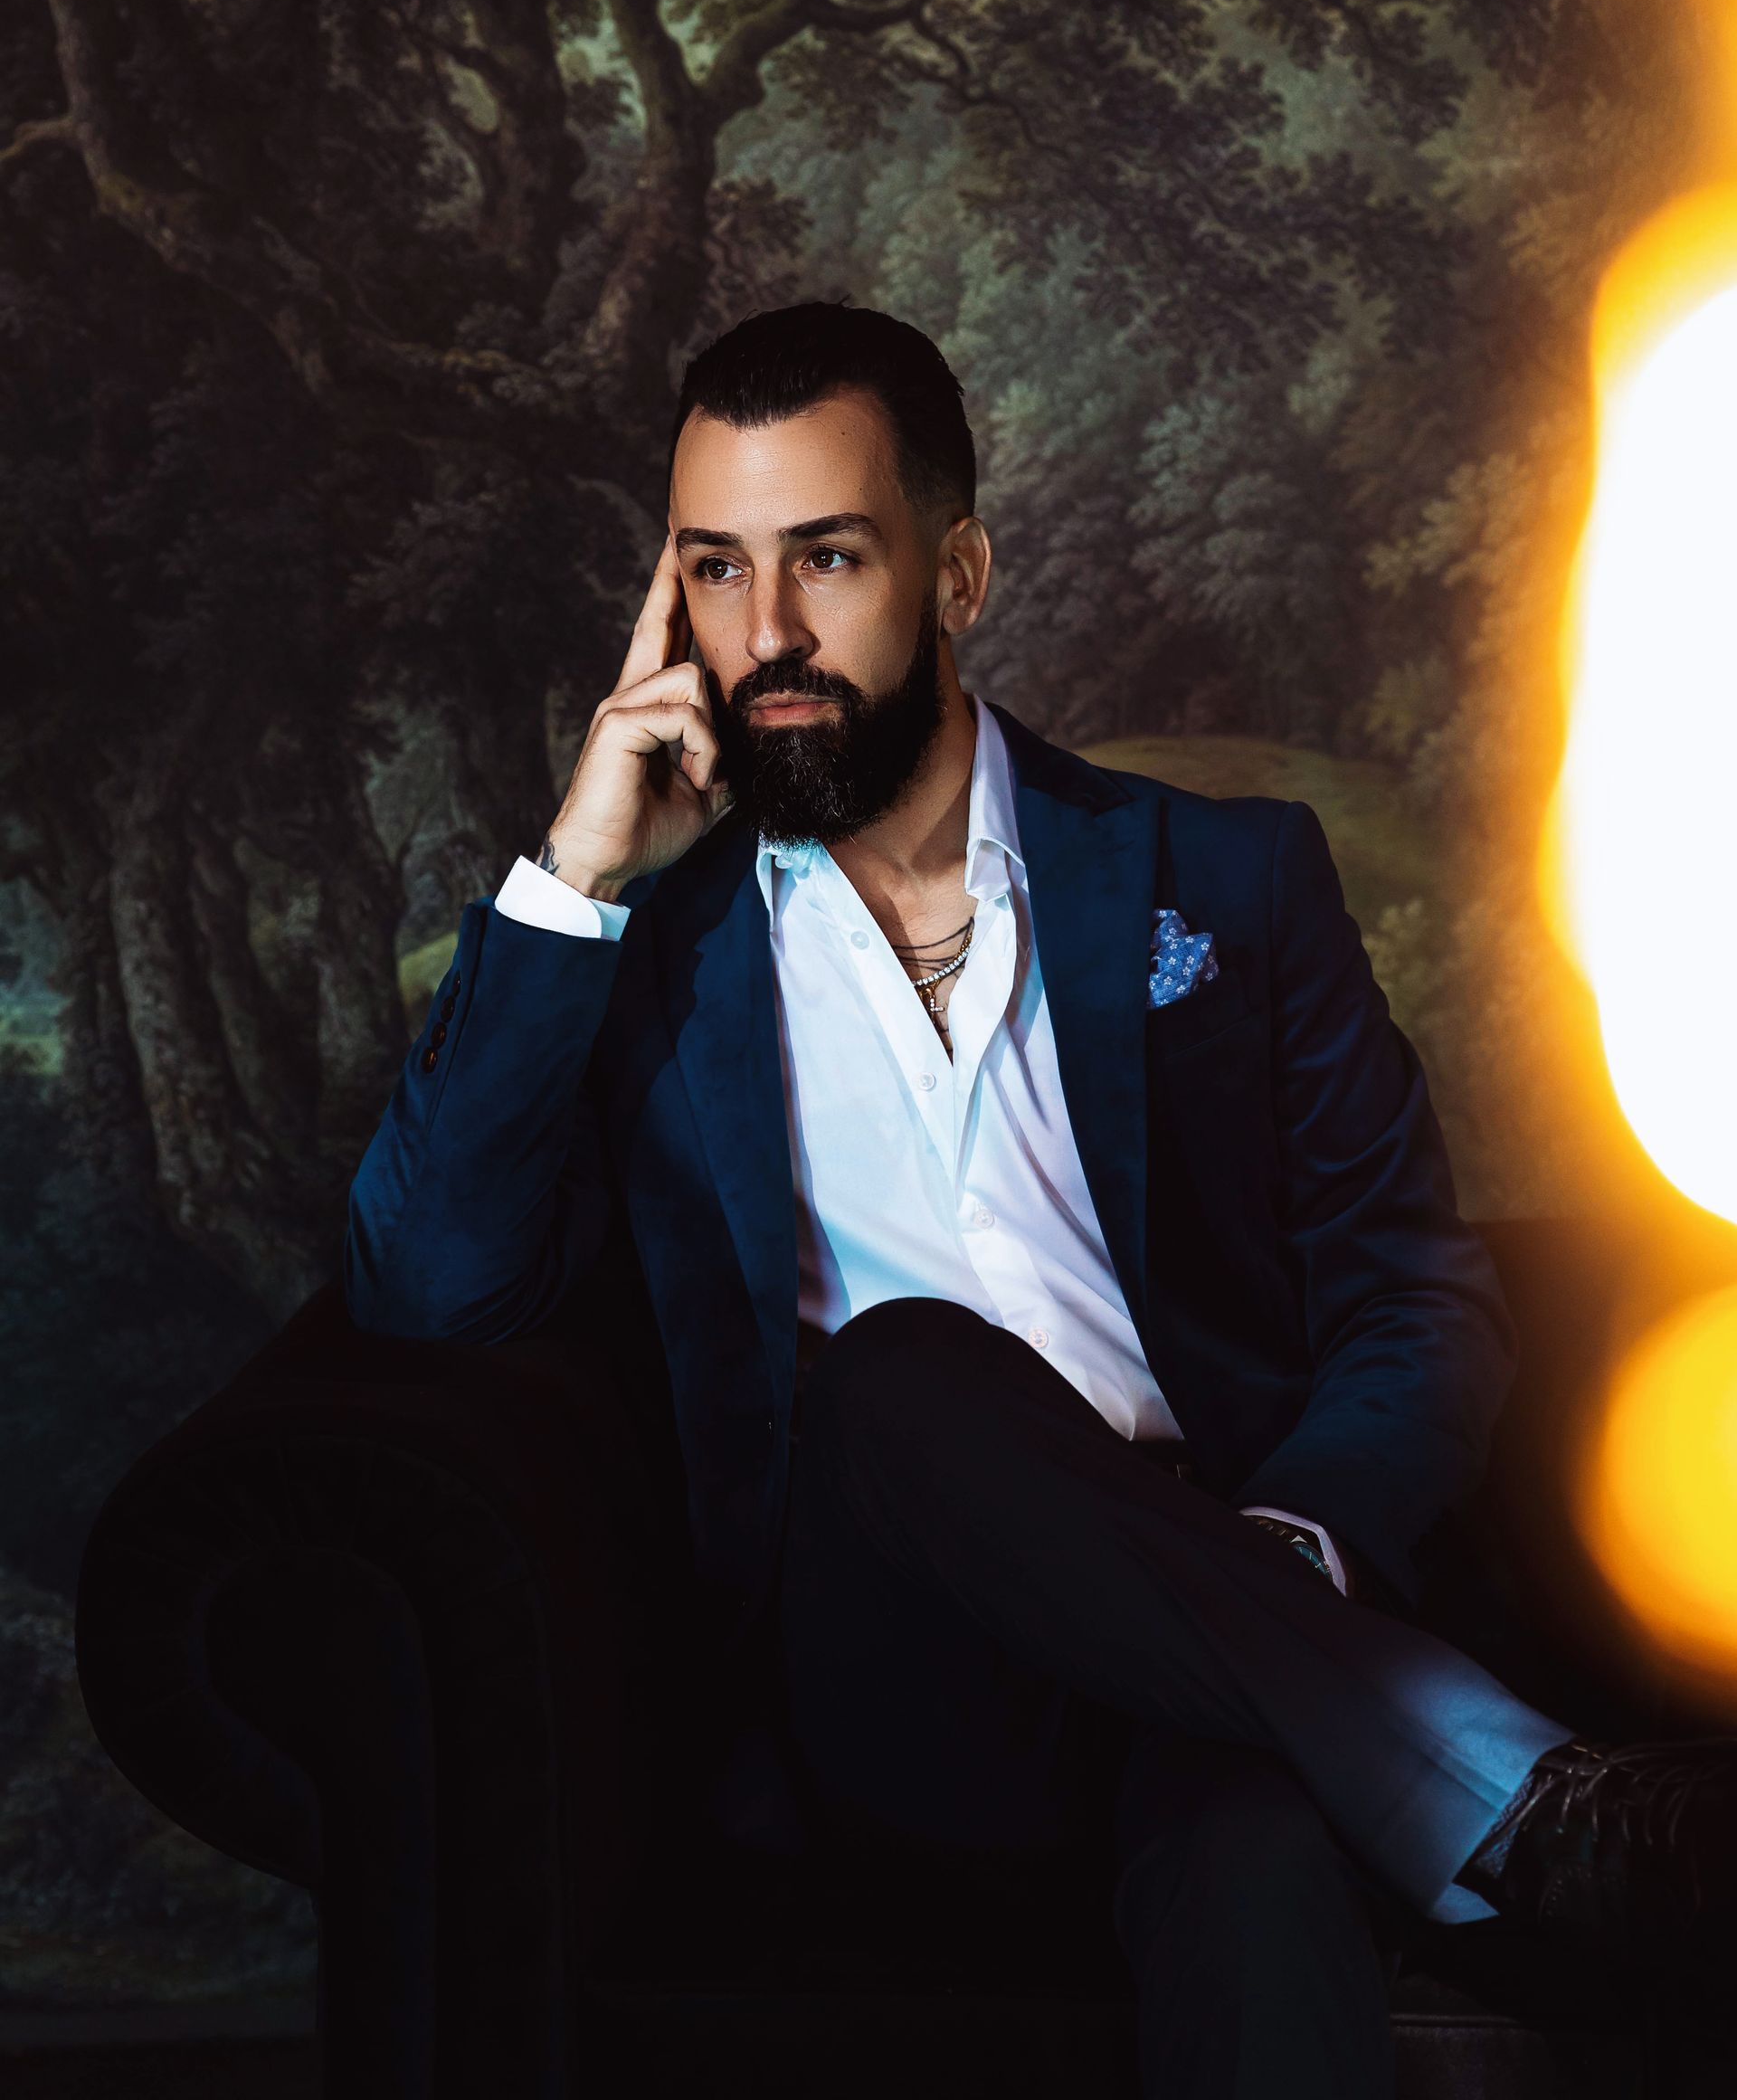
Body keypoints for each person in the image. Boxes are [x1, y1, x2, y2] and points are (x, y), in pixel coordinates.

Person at [346, 301, 1737, 2099]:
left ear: (962, 571)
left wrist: (1295, 1549)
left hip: (1226, 1598)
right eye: (713, 572)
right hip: (903, 1668)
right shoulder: (643, 958)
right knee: (907, 1368)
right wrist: (581, 866)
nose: (766, 637)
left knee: (1252, 1841)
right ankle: (1542, 1816)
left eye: (828, 560)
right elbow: (425, 1285)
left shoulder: (1222, 879)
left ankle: (1400, 1753)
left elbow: (1417, 1299)